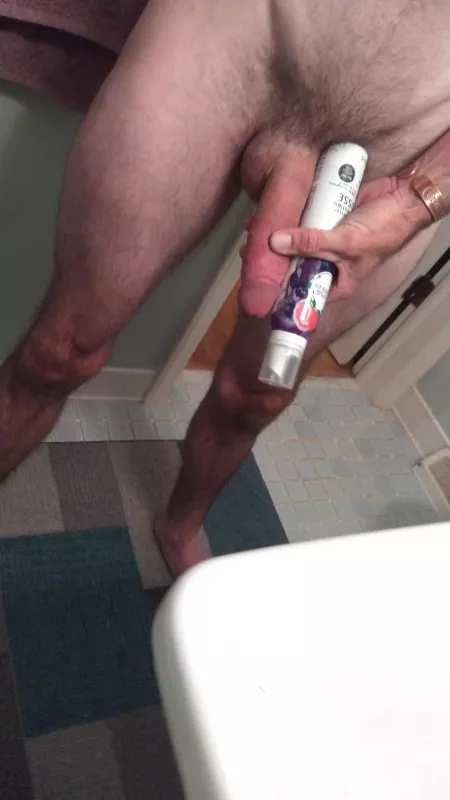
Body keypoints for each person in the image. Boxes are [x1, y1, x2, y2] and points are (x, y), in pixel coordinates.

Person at [1, 0, 450, 575]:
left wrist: (418, 200)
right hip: (233, 34)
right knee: (59, 353)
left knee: (257, 392)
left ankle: (178, 527)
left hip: (408, 141)